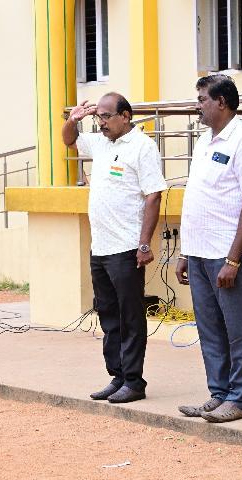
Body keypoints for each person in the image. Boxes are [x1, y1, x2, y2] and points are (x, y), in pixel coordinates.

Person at [62, 92, 167, 404]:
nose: (101, 122)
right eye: (99, 117)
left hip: (127, 248)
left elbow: (153, 197)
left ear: (126, 116)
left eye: (106, 116)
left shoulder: (142, 147)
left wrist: (144, 243)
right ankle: (118, 375)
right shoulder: (101, 142)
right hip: (101, 247)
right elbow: (69, 141)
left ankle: (134, 381)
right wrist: (73, 119)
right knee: (108, 314)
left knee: (130, 316)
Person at [175, 75, 242, 423]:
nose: (197, 104)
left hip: (228, 256)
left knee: (237, 328)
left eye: (201, 98)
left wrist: (233, 258)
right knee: (209, 328)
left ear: (222, 102)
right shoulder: (203, 141)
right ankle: (219, 393)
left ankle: (240, 397)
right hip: (199, 253)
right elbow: (199, 199)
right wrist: (185, 251)